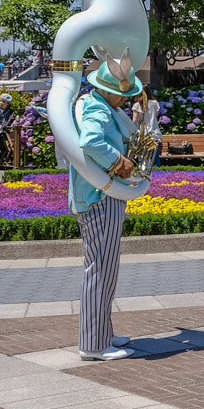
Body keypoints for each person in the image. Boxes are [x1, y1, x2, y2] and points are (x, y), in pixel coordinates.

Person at [69, 58, 146, 362]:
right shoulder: (99, 108)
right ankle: (93, 344)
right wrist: (119, 161)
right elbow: (90, 141)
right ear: (109, 90)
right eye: (122, 94)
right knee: (101, 270)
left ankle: (102, 333)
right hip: (100, 196)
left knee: (104, 268)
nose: (125, 99)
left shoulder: (98, 105)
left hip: (100, 194)